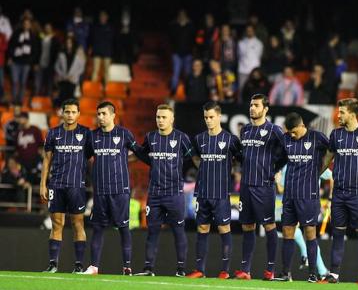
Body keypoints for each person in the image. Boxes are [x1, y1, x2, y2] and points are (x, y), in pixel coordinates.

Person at [321, 98, 358, 284]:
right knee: (337, 232)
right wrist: (313, 176)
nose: (338, 115)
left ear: (352, 114)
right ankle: (334, 273)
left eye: (342, 112)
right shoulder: (335, 135)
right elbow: (326, 160)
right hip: (339, 193)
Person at [81, 101, 140, 276]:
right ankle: (94, 266)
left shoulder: (124, 134)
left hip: (120, 190)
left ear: (113, 115)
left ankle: (127, 266)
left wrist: (123, 160)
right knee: (98, 228)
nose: (100, 117)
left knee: (123, 227)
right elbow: (85, 156)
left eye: (104, 114)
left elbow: (138, 152)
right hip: (100, 191)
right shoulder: (93, 136)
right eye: (98, 114)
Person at [134, 104, 193, 277]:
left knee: (178, 231)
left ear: (172, 119)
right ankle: (148, 268)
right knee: (152, 231)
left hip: (175, 193)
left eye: (164, 117)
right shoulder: (150, 137)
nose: (160, 120)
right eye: (158, 117)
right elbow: (144, 155)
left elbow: (190, 155)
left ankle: (181, 269)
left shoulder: (181, 138)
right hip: (155, 194)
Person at [186, 101, 241, 279]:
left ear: (219, 116)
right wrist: (204, 167)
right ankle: (199, 270)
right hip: (203, 192)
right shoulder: (200, 139)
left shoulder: (230, 139)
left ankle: (224, 270)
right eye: (206, 117)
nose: (208, 120)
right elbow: (194, 156)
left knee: (224, 228)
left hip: (221, 193)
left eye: (211, 117)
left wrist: (232, 171)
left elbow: (241, 158)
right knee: (202, 228)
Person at [234, 94, 287, 280]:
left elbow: (286, 152)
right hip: (246, 186)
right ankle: (245, 270)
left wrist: (276, 168)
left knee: (269, 225)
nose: (252, 108)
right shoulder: (245, 130)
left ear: (265, 109)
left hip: (264, 186)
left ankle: (270, 270)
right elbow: (243, 155)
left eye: (256, 105)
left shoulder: (274, 130)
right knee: (248, 226)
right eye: (251, 104)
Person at [273, 112, 329, 282]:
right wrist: (273, 169)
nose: (291, 135)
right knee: (287, 232)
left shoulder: (317, 138)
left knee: (310, 232)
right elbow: (280, 160)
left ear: (301, 125)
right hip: (289, 195)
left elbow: (332, 152)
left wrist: (323, 166)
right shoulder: (286, 139)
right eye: (289, 132)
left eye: (293, 131)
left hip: (309, 195)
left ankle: (313, 274)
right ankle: (285, 273)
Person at [40, 99, 92, 273]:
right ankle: (53, 264)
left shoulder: (86, 133)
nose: (70, 115)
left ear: (78, 113)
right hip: (56, 185)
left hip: (76, 185)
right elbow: (47, 160)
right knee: (57, 224)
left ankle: (78, 265)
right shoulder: (53, 133)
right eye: (67, 112)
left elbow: (94, 158)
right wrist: (43, 184)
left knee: (78, 223)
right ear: (62, 113)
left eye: (73, 112)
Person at [7, 18, 40, 105]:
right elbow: (10, 45)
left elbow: (36, 50)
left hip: (26, 63)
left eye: (28, 24)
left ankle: (20, 101)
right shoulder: (17, 33)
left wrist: (33, 62)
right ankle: (14, 100)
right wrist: (10, 57)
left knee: (23, 82)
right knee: (15, 81)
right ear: (22, 24)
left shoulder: (33, 36)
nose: (26, 25)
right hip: (15, 61)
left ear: (30, 25)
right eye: (25, 23)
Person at [54, 36, 86, 107]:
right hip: (62, 79)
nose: (68, 44)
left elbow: (81, 68)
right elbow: (56, 66)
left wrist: (74, 75)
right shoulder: (61, 54)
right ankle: (61, 111)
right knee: (62, 96)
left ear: (73, 44)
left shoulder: (78, 54)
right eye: (67, 43)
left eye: (70, 43)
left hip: (72, 79)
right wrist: (62, 75)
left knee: (70, 98)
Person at [169, 9, 194, 96]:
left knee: (187, 74)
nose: (182, 17)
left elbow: (193, 39)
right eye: (181, 15)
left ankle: (188, 91)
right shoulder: (174, 26)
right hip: (177, 54)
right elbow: (171, 38)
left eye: (184, 15)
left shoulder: (190, 26)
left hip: (187, 54)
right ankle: (173, 91)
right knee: (176, 73)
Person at [237, 25, 264, 97]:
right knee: (242, 90)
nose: (249, 32)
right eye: (248, 30)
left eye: (251, 30)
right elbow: (239, 55)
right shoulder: (241, 43)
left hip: (254, 71)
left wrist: (256, 71)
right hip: (243, 70)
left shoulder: (259, 43)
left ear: (254, 31)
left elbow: (259, 56)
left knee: (255, 91)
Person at [35, 23, 60, 97]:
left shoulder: (55, 39)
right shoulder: (40, 38)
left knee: (49, 84)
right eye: (46, 27)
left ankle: (47, 101)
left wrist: (55, 65)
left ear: (51, 29)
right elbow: (36, 51)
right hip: (40, 64)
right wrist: (35, 62)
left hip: (50, 65)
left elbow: (56, 53)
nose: (47, 29)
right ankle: (36, 98)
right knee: (38, 83)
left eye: (48, 28)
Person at [90, 11, 114, 84]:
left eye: (104, 16)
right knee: (95, 71)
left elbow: (113, 40)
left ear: (107, 17)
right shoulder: (95, 27)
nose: (102, 18)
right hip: (97, 51)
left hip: (107, 52)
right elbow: (92, 39)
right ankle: (93, 88)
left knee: (107, 71)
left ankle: (106, 88)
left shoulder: (110, 27)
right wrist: (91, 48)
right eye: (101, 16)